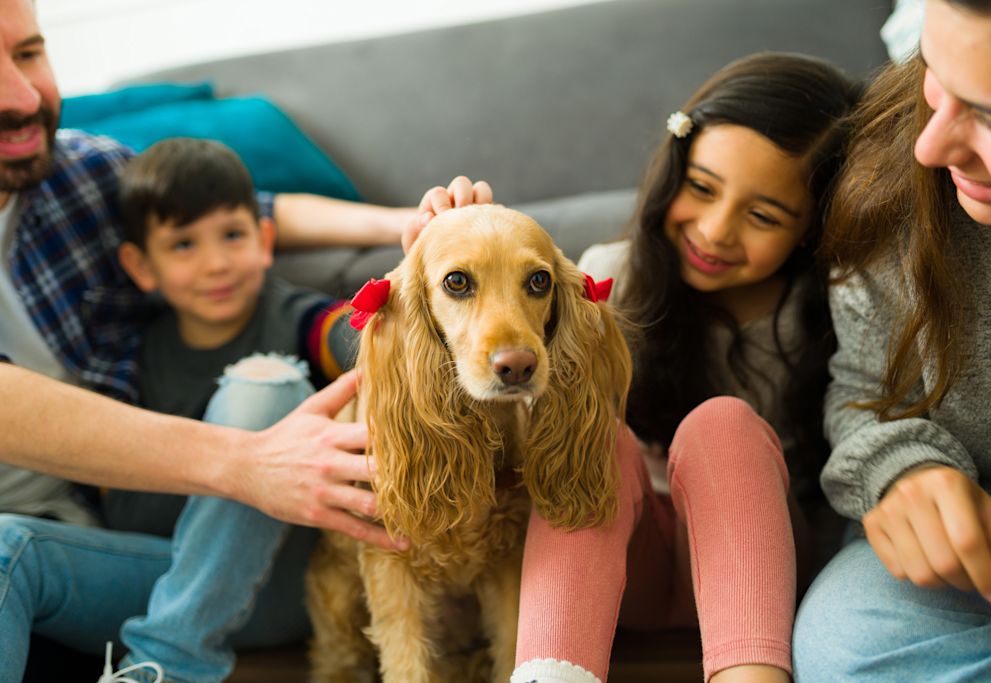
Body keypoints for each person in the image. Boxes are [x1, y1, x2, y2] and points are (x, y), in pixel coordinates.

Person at [0, 0, 413, 679]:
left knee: (265, 382)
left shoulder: (81, 177)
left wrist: (411, 226)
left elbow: (262, 213)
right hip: (104, 539)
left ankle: (169, 663)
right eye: (185, 247)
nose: (21, 96)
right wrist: (245, 462)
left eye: (29, 53)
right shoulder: (156, 346)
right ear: (143, 264)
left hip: (208, 555)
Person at [491, 52, 857, 683]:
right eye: (703, 189)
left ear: (808, 229)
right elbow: (529, 421)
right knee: (592, 435)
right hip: (626, 565)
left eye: (763, 215)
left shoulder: (822, 311)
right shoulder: (606, 277)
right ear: (673, 171)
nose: (715, 231)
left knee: (721, 425)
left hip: (757, 572)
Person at [792, 0, 991, 679]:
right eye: (936, 75)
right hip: (978, 537)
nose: (931, 145)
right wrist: (903, 467)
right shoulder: (894, 177)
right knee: (847, 639)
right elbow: (866, 390)